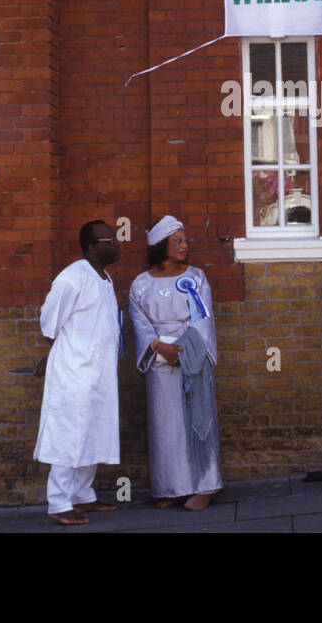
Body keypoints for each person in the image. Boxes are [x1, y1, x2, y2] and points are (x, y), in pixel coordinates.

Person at [128, 215, 222, 511]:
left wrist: (184, 350)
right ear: (160, 245)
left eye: (185, 240)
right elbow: (139, 322)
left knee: (197, 421)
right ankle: (170, 487)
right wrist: (159, 347)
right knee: (165, 425)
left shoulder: (195, 278)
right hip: (159, 361)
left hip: (190, 356)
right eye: (177, 241)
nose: (185, 245)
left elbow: (202, 318)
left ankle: (204, 487)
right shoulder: (141, 284)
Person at [33, 219, 123, 526]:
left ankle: (84, 496)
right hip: (74, 372)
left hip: (99, 374)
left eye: (115, 238)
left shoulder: (105, 278)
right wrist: (60, 355)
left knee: (94, 431)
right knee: (69, 433)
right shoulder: (72, 278)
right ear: (91, 247)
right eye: (109, 240)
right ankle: (59, 502)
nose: (116, 244)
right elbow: (49, 324)